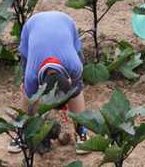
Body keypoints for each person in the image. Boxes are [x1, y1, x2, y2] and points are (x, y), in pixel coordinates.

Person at [15, 11, 90, 154]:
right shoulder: (32, 76)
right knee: (26, 92)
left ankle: (82, 130)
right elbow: (33, 103)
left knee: (76, 88)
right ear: (40, 87)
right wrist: (40, 132)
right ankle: (22, 131)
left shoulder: (74, 65)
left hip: (65, 22)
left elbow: (75, 87)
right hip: (33, 25)